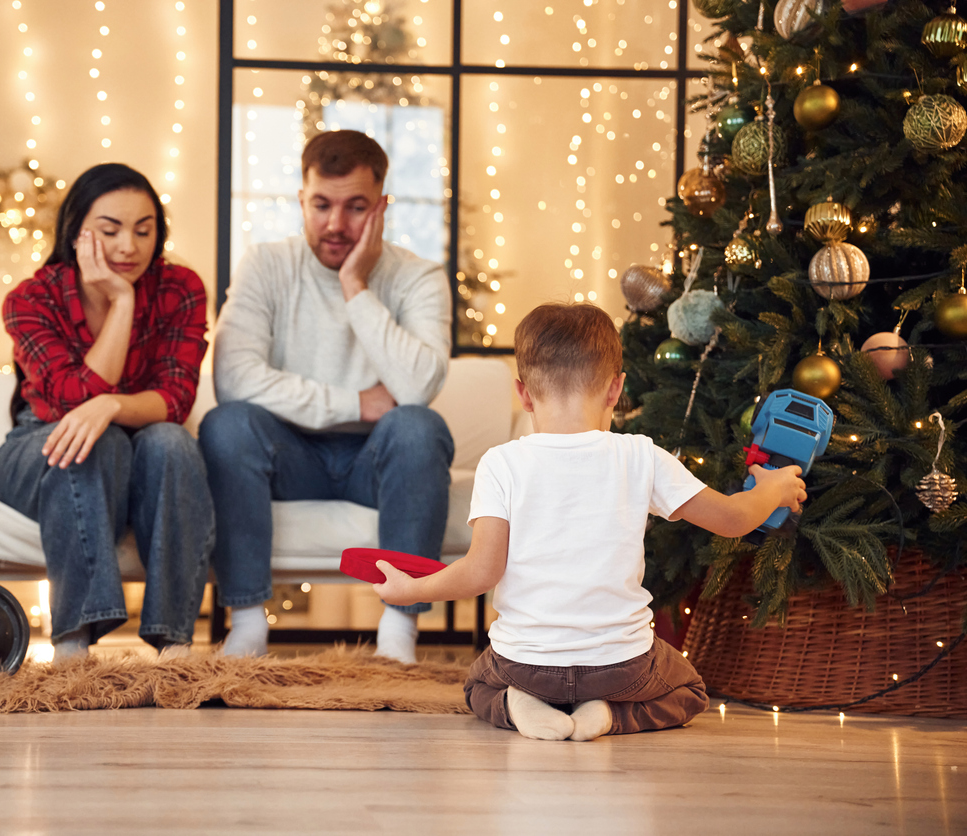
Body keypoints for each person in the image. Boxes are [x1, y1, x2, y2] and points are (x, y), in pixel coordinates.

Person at [373, 303, 807, 740]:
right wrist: (772, 490)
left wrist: (411, 589)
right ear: (616, 390)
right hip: (621, 666)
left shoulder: (501, 463)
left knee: (477, 686)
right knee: (690, 689)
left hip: (525, 664)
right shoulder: (641, 456)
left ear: (523, 393)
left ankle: (516, 702)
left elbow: (482, 571)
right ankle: (608, 715)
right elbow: (733, 519)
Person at [199, 130, 453, 663]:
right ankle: (247, 626)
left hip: (375, 461)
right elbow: (234, 378)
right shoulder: (267, 265)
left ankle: (397, 634)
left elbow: (417, 389)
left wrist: (356, 286)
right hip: (288, 454)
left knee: (418, 427)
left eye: (356, 207)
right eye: (322, 205)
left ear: (382, 206)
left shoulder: (418, 278)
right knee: (226, 424)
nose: (336, 224)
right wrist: (357, 403)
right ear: (301, 201)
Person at [0, 163, 214, 661]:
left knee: (170, 442)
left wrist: (111, 404)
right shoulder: (29, 298)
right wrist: (122, 301)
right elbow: (73, 402)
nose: (129, 247)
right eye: (110, 230)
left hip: (138, 449)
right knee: (95, 441)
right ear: (76, 232)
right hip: (41, 447)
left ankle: (173, 640)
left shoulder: (181, 289)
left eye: (144, 230)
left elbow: (174, 402)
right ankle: (73, 644)